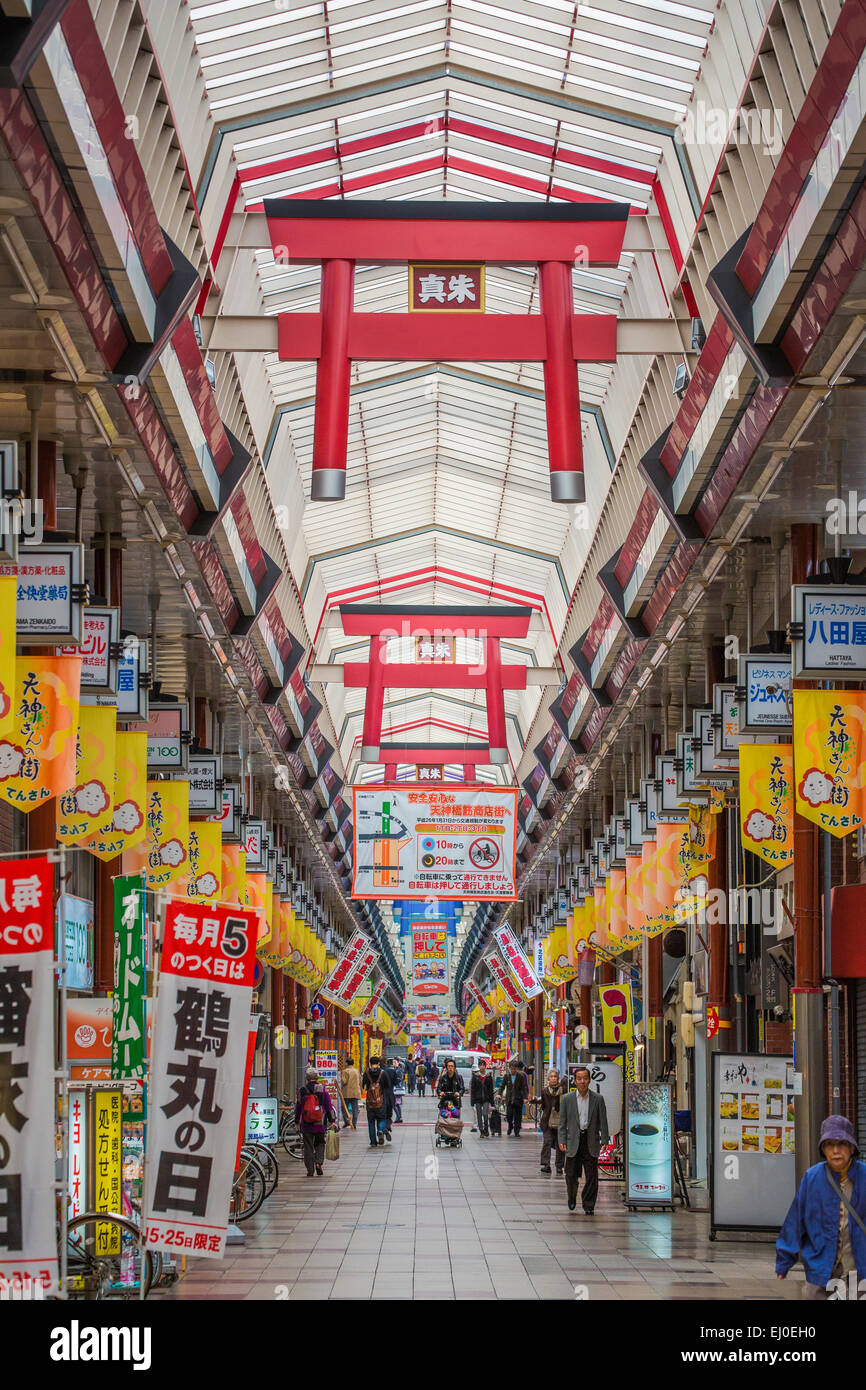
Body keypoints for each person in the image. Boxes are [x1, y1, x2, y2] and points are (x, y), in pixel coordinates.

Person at [776, 1115, 866, 1299]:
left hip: (858, 1272)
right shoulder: (813, 1177)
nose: (835, 1151)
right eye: (829, 1144)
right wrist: (784, 1260)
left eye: (841, 1144)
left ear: (851, 1147)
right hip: (820, 1271)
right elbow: (795, 1221)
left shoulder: (864, 1176)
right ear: (823, 1149)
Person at [558, 1065, 609, 1213]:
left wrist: (604, 1139)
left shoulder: (598, 1099)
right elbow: (562, 1122)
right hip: (573, 1140)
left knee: (592, 1175)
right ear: (574, 1081)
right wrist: (562, 1140)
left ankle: (588, 1204)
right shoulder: (567, 1099)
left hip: (590, 1139)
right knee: (571, 1174)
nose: (582, 1082)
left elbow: (603, 1121)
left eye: (585, 1078)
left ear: (589, 1080)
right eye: (579, 1079)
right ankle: (572, 1196)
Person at [294, 1066, 336, 1176]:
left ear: (307, 1078)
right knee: (320, 1143)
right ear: (317, 1078)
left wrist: (297, 1120)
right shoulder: (322, 1090)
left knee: (308, 1146)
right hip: (319, 1123)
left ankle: (310, 1170)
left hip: (306, 1123)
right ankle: (318, 1163)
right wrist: (332, 1120)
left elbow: (298, 1107)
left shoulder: (302, 1091)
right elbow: (329, 1107)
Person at [539, 1068, 566, 1175]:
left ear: (558, 1078)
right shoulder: (545, 1091)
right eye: (551, 1077)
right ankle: (546, 1165)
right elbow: (544, 1106)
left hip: (561, 1121)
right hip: (547, 1121)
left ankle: (559, 1166)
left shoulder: (564, 1090)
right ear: (548, 1079)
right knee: (547, 1142)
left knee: (560, 1144)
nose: (553, 1079)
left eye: (555, 1076)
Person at [362, 1056, 389, 1147]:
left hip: (370, 1102)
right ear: (378, 1063)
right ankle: (380, 1130)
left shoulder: (366, 1073)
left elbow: (363, 1086)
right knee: (381, 1118)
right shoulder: (383, 1073)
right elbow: (388, 1085)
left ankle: (373, 1142)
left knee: (371, 1122)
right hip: (380, 1100)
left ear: (370, 1063)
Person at [499, 1058, 528, 1136]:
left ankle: (517, 1131)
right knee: (509, 1115)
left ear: (517, 1069)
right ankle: (510, 1126)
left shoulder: (521, 1077)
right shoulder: (507, 1076)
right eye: (511, 1069)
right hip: (509, 1099)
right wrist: (499, 1094)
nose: (513, 1070)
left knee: (518, 1117)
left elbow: (524, 1088)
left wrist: (525, 1098)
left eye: (514, 1069)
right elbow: (502, 1086)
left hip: (518, 1099)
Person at [470, 1058, 494, 1138]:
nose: (482, 1067)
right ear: (479, 1067)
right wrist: (472, 1101)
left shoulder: (489, 1077)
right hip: (477, 1099)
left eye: (483, 1065)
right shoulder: (475, 1077)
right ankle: (481, 1131)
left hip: (486, 1099)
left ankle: (486, 1129)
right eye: (480, 1065)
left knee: (485, 1113)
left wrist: (492, 1101)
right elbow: (473, 1089)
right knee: (479, 1115)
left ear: (485, 1066)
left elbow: (491, 1089)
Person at [340, 1056, 361, 1130]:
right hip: (355, 1092)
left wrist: (341, 1076)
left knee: (344, 1108)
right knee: (355, 1108)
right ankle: (354, 1123)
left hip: (347, 1093)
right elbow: (360, 1082)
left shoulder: (345, 1071)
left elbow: (344, 1081)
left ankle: (347, 1121)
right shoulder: (356, 1071)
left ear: (346, 1063)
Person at [381, 1056, 398, 1136]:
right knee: (389, 1113)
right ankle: (388, 1125)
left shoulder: (378, 1071)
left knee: (381, 1114)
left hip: (379, 1096)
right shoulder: (392, 1071)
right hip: (390, 1095)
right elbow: (396, 1082)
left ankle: (382, 1129)